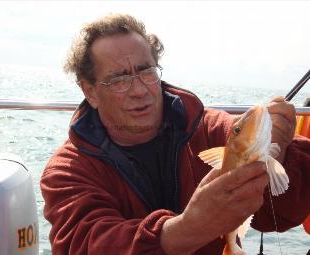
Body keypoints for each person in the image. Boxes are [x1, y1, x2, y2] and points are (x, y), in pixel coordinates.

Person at [40, 14, 310, 255]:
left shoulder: (209, 130)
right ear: (89, 91)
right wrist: (186, 229)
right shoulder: (67, 173)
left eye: (146, 71)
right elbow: (83, 243)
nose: (139, 90)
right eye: (119, 79)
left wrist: (279, 148)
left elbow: (284, 212)